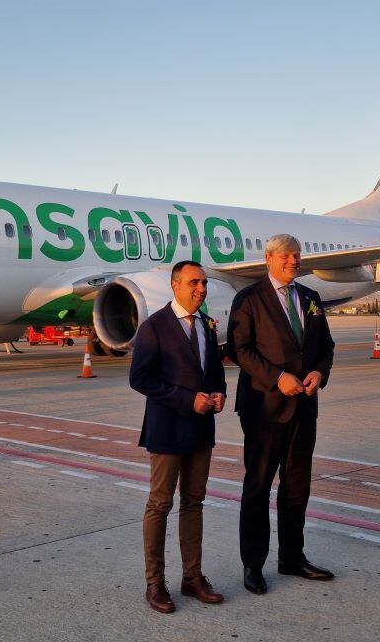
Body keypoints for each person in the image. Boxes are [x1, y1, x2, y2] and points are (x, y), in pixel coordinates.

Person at [225, 234, 336, 595]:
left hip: (304, 407)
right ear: (270, 258)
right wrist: (278, 378)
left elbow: (326, 347)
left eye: (297, 255)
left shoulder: (310, 298)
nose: (294, 261)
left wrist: (319, 372)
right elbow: (239, 349)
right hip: (264, 408)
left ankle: (292, 557)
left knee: (296, 486)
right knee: (258, 486)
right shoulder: (249, 299)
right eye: (287, 256)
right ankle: (253, 564)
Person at [128, 260, 227, 613]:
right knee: (160, 504)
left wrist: (218, 393)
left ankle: (192, 577)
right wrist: (189, 400)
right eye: (194, 283)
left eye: (204, 283)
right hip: (168, 429)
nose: (201, 288)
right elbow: (139, 378)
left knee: (194, 503)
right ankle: (155, 583)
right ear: (175, 285)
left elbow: (214, 371)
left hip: (201, 430)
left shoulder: (208, 325)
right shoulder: (154, 326)